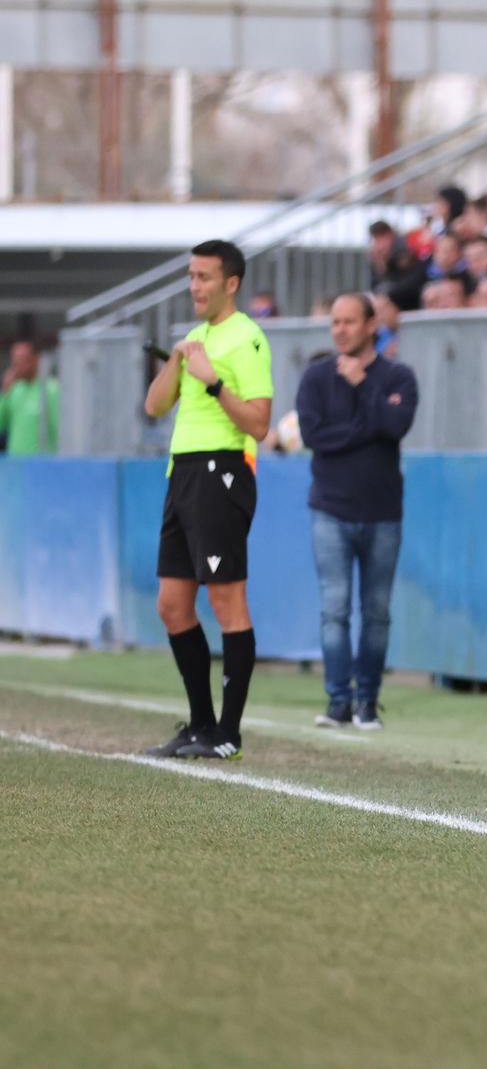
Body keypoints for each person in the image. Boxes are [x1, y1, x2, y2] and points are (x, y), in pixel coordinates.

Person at [139, 240, 274, 761]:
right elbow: (154, 406)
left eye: (204, 278)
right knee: (172, 606)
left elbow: (260, 424)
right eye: (191, 277)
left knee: (225, 601)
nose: (195, 287)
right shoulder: (195, 337)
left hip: (222, 473)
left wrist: (214, 384)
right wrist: (178, 360)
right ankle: (199, 724)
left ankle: (228, 734)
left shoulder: (249, 339)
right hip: (183, 475)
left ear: (230, 283)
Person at [294, 293, 419, 729]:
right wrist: (367, 427)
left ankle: (367, 702)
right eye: (335, 322)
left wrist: (362, 386)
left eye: (349, 322)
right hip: (330, 509)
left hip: (383, 512)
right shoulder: (314, 378)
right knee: (335, 608)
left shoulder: (397, 376)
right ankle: (337, 702)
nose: (340, 330)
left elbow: (396, 426)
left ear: (371, 325)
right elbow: (314, 436)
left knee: (378, 611)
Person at [1, 340, 58, 455]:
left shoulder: (51, 389)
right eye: (15, 362)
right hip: (16, 465)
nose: (17, 366)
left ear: (36, 359)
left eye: (22, 360)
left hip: (41, 466)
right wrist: (4, 393)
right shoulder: (14, 390)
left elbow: (61, 430)